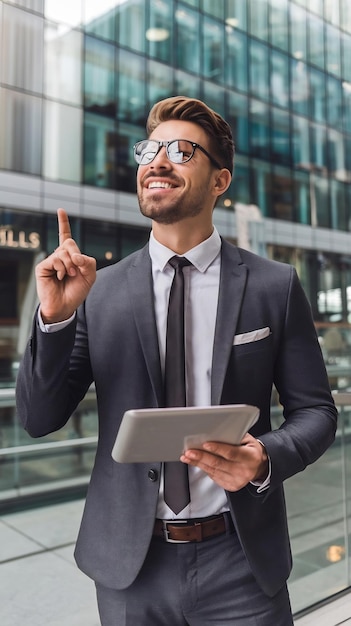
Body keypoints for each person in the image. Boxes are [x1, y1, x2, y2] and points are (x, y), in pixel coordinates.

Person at [16, 96, 337, 625]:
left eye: (182, 151)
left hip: (242, 561)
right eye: (150, 149)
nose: (158, 161)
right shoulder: (99, 291)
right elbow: (37, 418)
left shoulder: (273, 286)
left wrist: (265, 458)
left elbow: (318, 413)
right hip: (130, 568)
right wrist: (54, 320)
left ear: (220, 181)